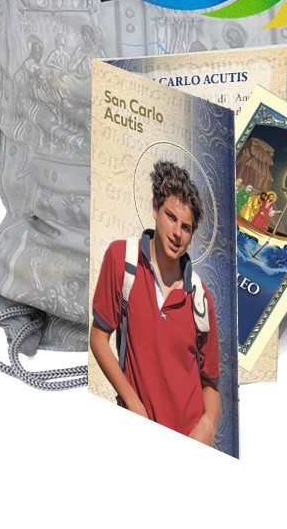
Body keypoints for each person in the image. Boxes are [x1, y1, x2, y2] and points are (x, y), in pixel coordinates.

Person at [90, 161, 221, 445]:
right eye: (170, 217)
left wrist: (208, 424)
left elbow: (210, 383)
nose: (177, 233)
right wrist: (131, 402)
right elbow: (98, 338)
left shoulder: (201, 298)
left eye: (186, 227)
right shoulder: (121, 260)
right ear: (155, 208)